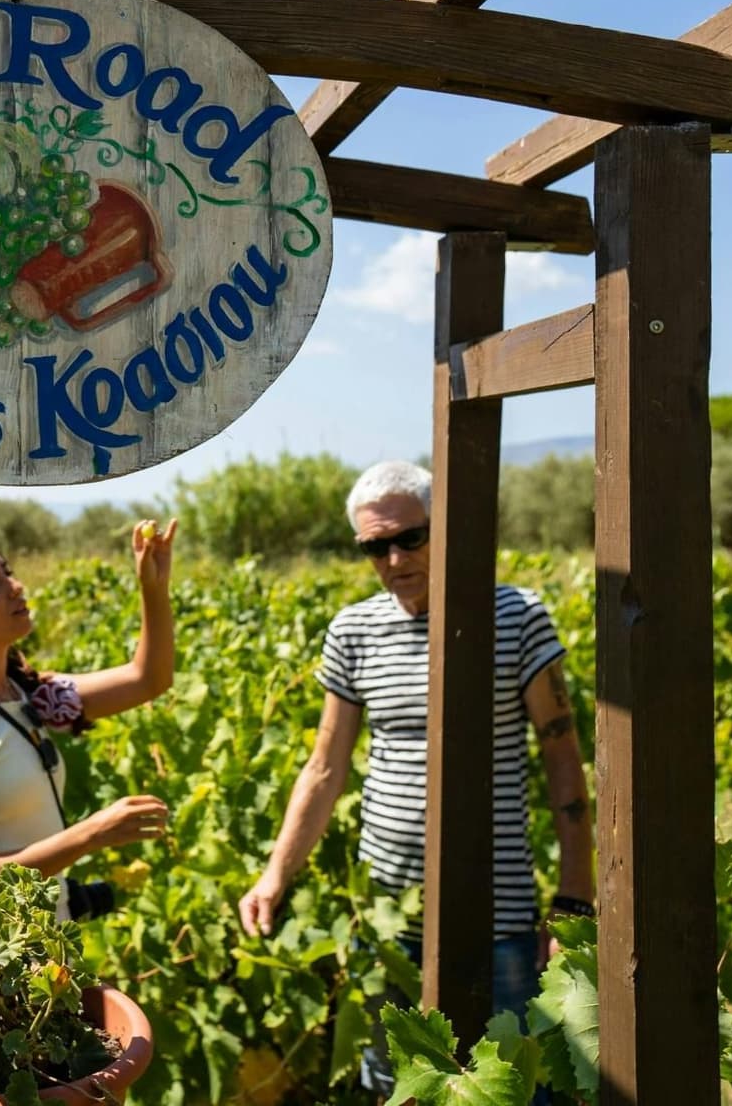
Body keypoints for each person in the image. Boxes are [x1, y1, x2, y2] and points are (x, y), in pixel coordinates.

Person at [237, 461, 594, 1101]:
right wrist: (275, 873)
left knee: (514, 1086)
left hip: (497, 911)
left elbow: (562, 756)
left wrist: (572, 899)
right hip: (385, 918)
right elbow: (324, 767)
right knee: (399, 1085)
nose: (394, 558)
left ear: (446, 528)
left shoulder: (515, 616)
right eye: (375, 547)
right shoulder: (354, 630)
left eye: (410, 538)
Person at [0, 522, 177, 919]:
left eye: (7, 572)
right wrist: (91, 833)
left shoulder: (28, 692)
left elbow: (148, 679)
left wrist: (153, 587)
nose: (15, 586)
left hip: (47, 935)